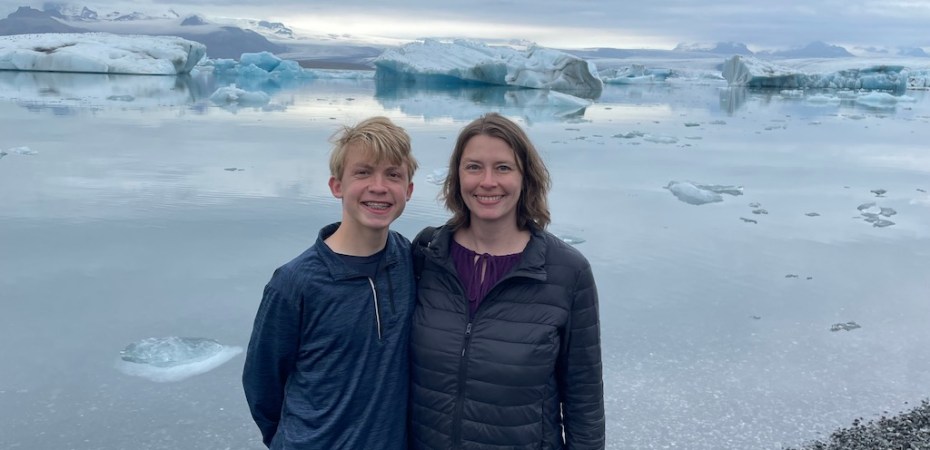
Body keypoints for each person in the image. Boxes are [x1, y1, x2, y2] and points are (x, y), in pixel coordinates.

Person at [410, 113, 605, 449]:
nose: (487, 181)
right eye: (473, 167)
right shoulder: (427, 255)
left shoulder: (566, 272)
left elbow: (584, 400)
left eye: (503, 167)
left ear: (525, 177)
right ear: (457, 176)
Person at [242, 116, 418, 449]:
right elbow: (262, 384)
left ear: (408, 190)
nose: (379, 187)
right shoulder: (295, 283)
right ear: (337, 185)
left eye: (393, 174)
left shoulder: (410, 260)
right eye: (363, 172)